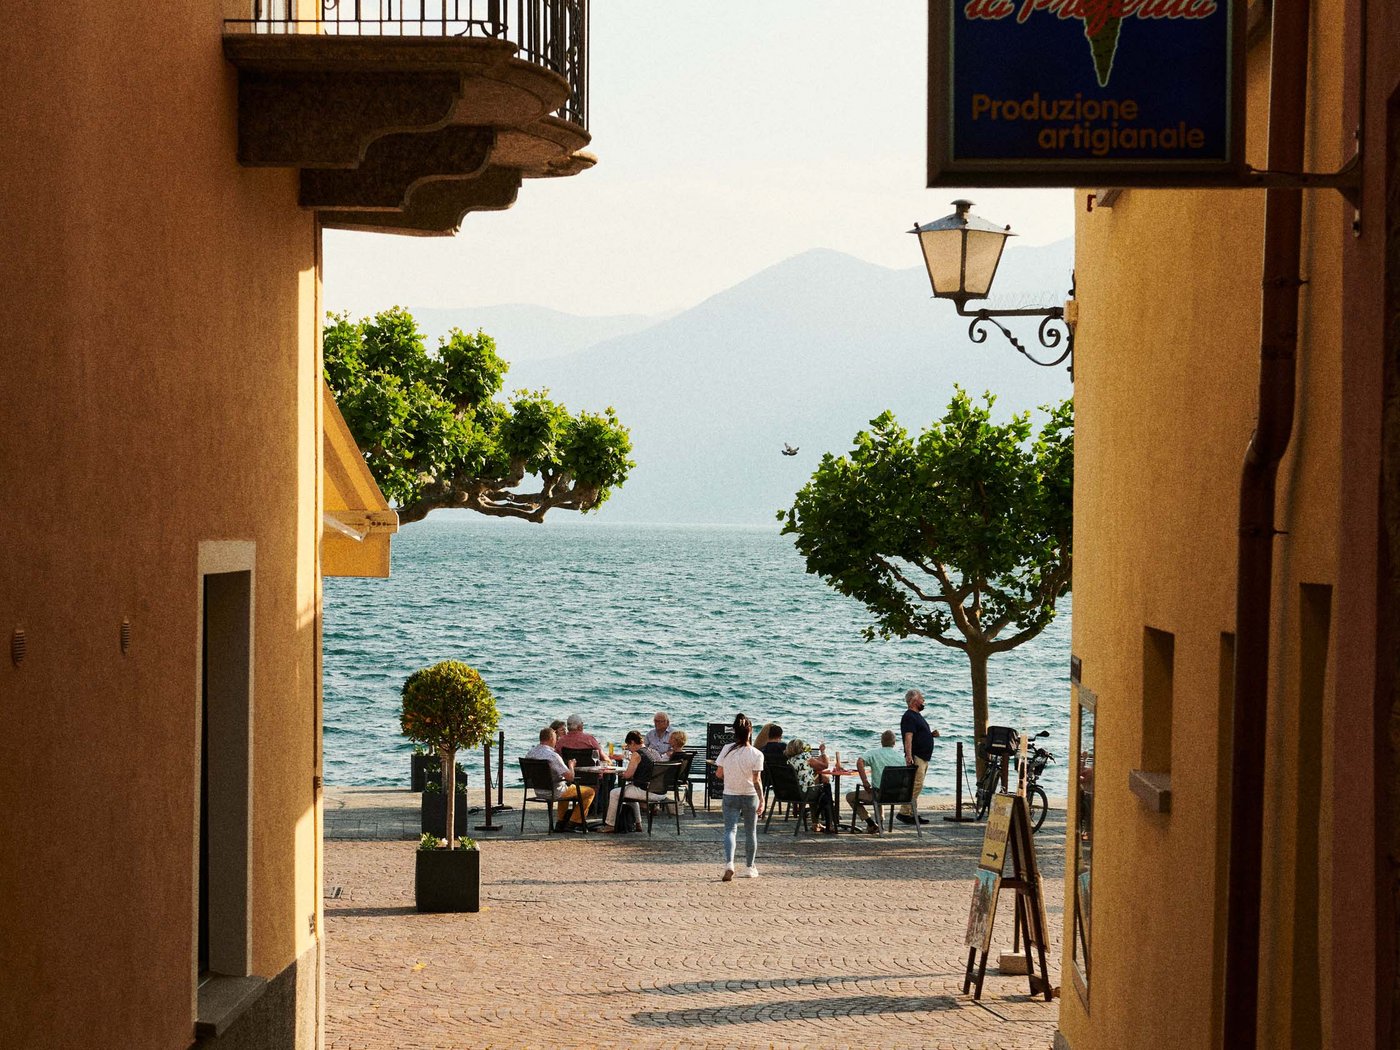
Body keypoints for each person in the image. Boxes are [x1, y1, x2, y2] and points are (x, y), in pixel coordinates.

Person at [715, 713, 765, 880]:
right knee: (751, 832)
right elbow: (757, 780)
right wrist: (762, 799)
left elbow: (719, 773)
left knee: (730, 830)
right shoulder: (757, 754)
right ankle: (750, 868)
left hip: (730, 794)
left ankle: (729, 863)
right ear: (750, 732)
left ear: (734, 732)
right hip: (750, 795)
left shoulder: (726, 750)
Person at [524, 727, 594, 831]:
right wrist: (571, 765)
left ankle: (560, 823)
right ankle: (574, 822)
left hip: (538, 791)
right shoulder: (553, 756)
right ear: (552, 739)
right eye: (556, 738)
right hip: (554, 791)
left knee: (565, 787)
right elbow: (570, 777)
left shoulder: (530, 753)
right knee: (590, 792)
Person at [599, 731, 667, 831]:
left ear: (632, 742)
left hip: (647, 791)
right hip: (660, 791)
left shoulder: (637, 754)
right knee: (629, 791)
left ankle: (610, 825)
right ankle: (638, 824)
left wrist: (621, 774)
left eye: (628, 746)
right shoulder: (654, 752)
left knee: (614, 793)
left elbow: (628, 775)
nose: (629, 749)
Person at [847, 729, 903, 833]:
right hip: (898, 795)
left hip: (879, 795)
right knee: (879, 790)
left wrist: (865, 782)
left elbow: (860, 762)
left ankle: (871, 823)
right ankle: (880, 824)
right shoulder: (901, 757)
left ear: (881, 742)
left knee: (850, 796)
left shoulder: (874, 753)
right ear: (894, 743)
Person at [899, 688, 940, 824]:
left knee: (917, 785)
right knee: (915, 784)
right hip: (917, 756)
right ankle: (905, 812)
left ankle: (912, 812)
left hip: (923, 756)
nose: (924, 701)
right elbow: (908, 736)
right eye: (921, 699)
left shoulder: (917, 716)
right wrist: (908, 755)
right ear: (914, 701)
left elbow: (917, 734)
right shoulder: (909, 716)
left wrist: (930, 735)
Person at [784, 738, 835, 831]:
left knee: (813, 786)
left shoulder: (789, 761)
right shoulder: (805, 757)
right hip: (806, 793)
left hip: (794, 793)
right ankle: (830, 824)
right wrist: (823, 752)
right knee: (825, 788)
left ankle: (816, 824)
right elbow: (825, 766)